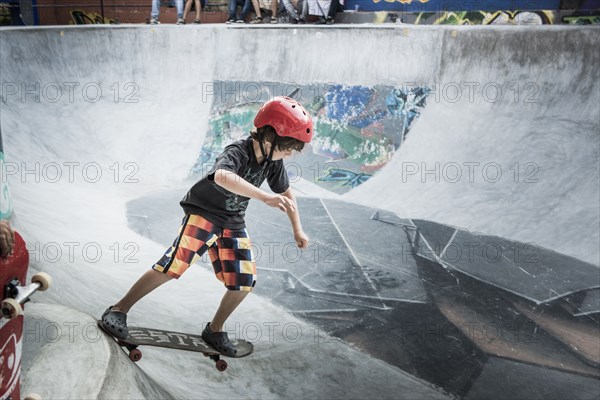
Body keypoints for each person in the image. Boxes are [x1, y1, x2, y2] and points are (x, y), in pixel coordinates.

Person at [101, 97, 313, 356]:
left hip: (233, 222)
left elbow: (288, 195)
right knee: (173, 265)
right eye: (288, 149)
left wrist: (297, 229)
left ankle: (214, 329)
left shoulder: (273, 162)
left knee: (244, 282)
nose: (289, 155)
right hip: (204, 213)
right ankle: (118, 310)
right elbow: (223, 176)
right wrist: (263, 196)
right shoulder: (237, 151)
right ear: (270, 140)